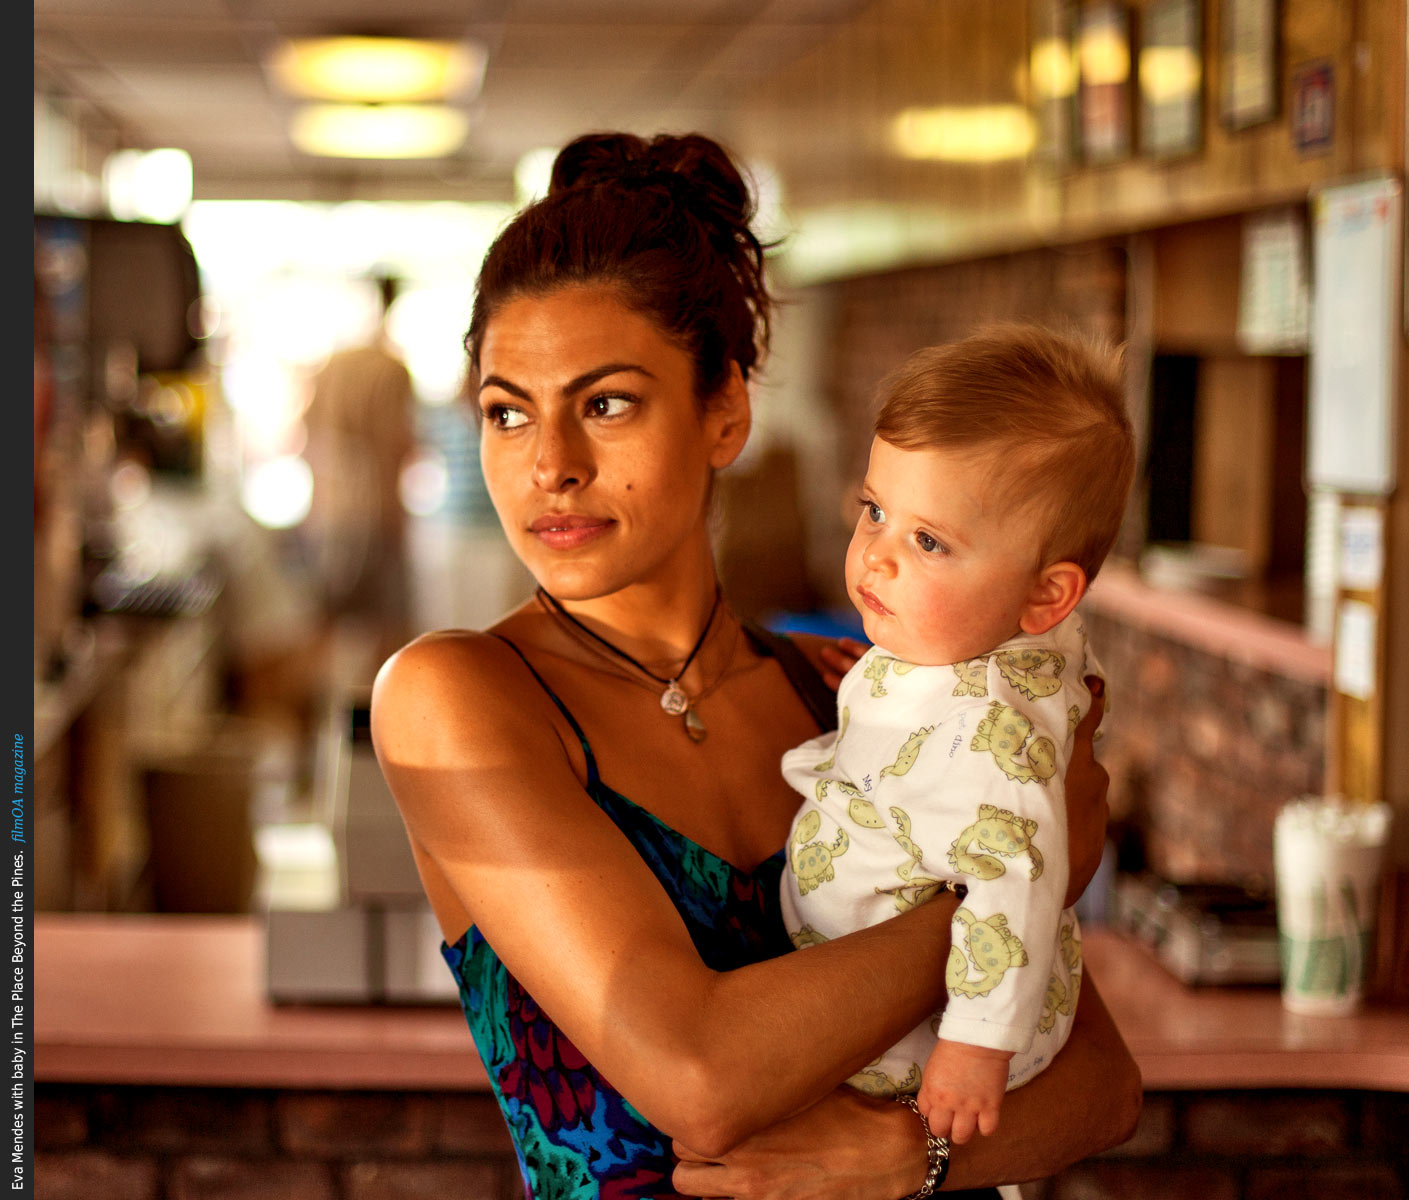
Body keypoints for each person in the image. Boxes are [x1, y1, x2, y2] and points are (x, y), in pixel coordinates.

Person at [370, 130, 1142, 1200]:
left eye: (604, 403)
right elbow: (698, 1078)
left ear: (724, 410)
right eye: (507, 412)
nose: (549, 465)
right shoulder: (458, 697)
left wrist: (897, 1158)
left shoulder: (852, 690)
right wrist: (1027, 869)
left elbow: (1104, 1087)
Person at [778, 327, 1136, 1149]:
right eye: (874, 511)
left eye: (927, 541)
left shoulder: (996, 739)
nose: (876, 556)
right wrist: (881, 680)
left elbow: (1014, 887)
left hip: (924, 1038)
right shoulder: (971, 642)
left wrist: (974, 1046)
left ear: (1045, 596)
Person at [301, 271, 417, 666]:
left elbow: (306, 436)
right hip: (378, 516)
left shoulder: (332, 365)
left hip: (328, 517)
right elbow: (399, 447)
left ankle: (322, 720)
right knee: (391, 637)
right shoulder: (390, 369)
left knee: (323, 626)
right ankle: (376, 723)